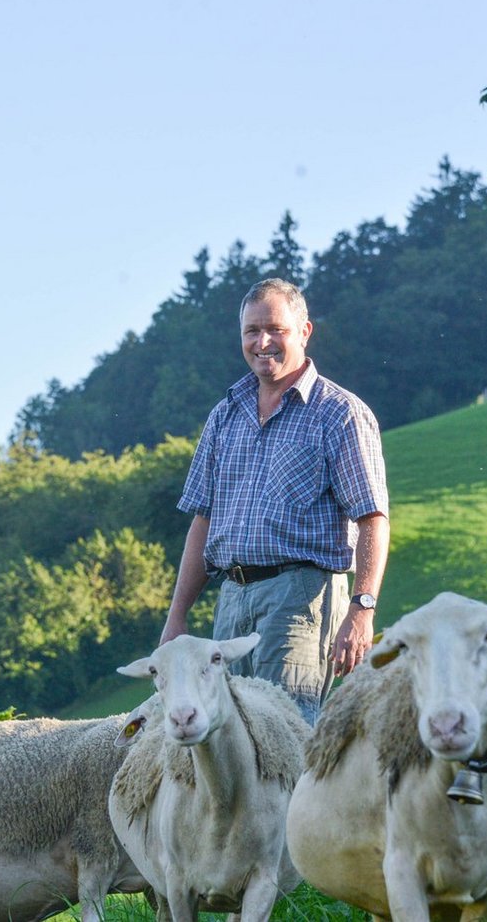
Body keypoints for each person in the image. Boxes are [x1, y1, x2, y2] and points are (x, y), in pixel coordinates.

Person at [159, 278, 389, 724]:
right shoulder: (226, 413)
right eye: (251, 331)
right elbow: (203, 521)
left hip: (299, 597)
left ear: (304, 331)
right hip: (232, 597)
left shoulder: (339, 412)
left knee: (286, 730)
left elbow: (372, 519)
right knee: (232, 737)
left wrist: (362, 609)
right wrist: (177, 618)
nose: (262, 342)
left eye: (275, 329)